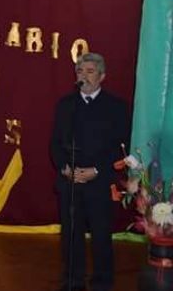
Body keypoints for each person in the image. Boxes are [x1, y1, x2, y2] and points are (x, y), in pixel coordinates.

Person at [50, 53, 128, 291]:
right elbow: (55, 143)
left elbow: (120, 146)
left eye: (90, 71)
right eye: (80, 71)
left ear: (102, 76)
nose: (83, 76)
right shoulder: (66, 105)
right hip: (70, 181)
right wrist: (65, 168)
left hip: (99, 181)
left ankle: (102, 282)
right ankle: (73, 281)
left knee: (101, 235)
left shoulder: (116, 107)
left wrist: (96, 170)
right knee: (71, 235)